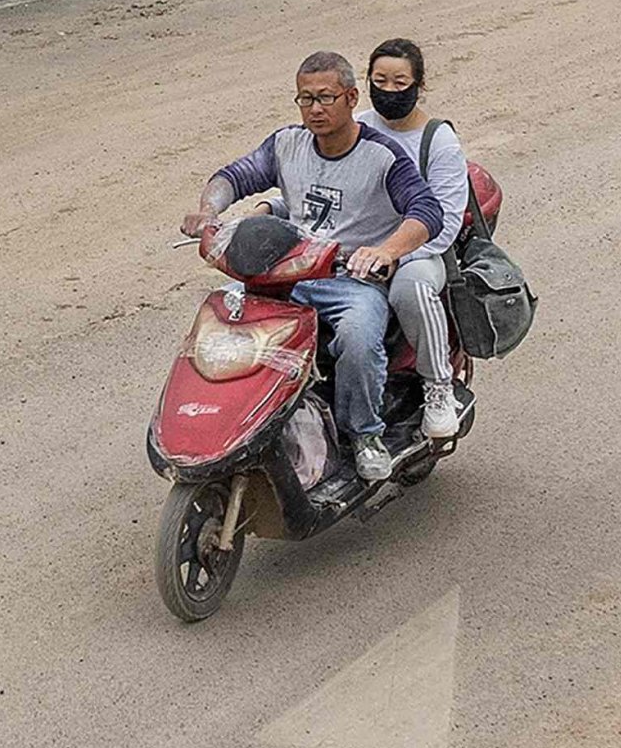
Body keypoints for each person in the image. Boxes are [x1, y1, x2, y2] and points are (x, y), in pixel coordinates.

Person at [190, 51, 442, 483]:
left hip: (352, 281)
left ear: (350, 97)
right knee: (224, 325)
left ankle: (364, 434)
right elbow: (236, 175)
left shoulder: (383, 155)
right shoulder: (286, 143)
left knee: (359, 338)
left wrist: (385, 251)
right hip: (288, 275)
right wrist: (208, 211)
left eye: (325, 98)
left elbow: (426, 211)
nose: (315, 109)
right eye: (305, 99)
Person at [364, 37, 471, 444]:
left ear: (419, 85)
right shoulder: (356, 127)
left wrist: (393, 253)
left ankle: (437, 386)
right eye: (380, 81)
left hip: (419, 252)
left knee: (411, 290)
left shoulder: (438, 141)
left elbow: (444, 223)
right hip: (357, 245)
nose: (389, 91)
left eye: (399, 82)